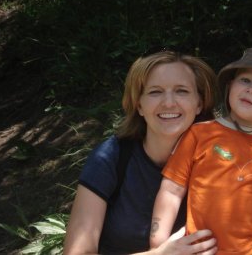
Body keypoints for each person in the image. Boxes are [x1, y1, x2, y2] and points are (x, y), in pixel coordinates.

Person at [63, 49, 219, 255]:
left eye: (182, 91)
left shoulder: (224, 158)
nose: (169, 102)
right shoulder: (111, 157)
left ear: (199, 103)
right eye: (155, 92)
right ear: (139, 105)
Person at [150, 47, 252, 255]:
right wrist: (159, 244)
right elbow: (172, 189)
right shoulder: (199, 134)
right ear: (230, 86)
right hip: (202, 249)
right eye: (245, 80)